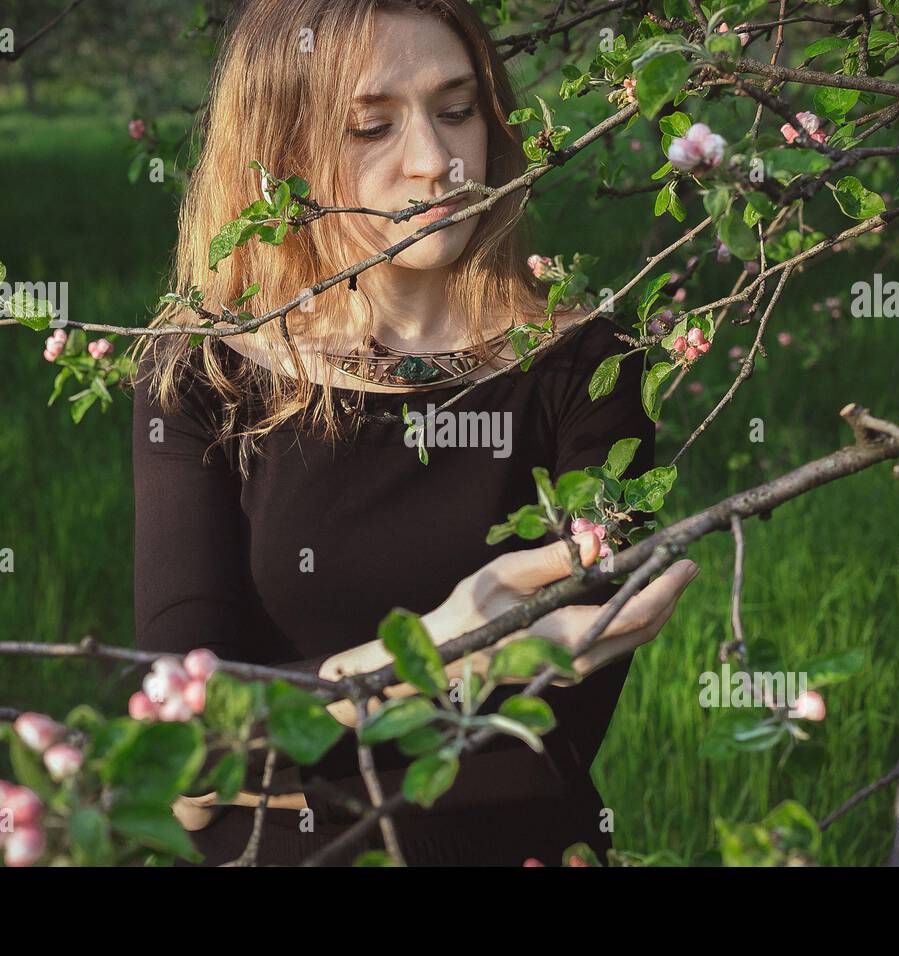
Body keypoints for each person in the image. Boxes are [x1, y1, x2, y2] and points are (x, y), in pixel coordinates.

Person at [128, 0, 698, 866]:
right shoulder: (203, 373)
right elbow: (186, 751)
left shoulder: (591, 367)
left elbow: (535, 753)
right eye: (370, 127)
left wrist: (273, 743)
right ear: (279, 155)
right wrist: (455, 651)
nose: (434, 162)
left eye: (457, 110)